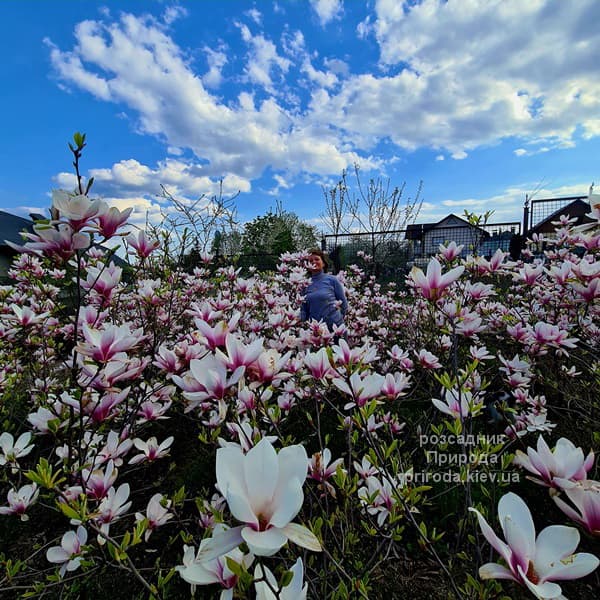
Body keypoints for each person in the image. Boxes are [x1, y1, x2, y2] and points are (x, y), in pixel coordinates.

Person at [300, 248, 348, 331]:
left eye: (317, 259)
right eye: (310, 260)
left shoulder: (332, 280)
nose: (314, 262)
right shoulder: (305, 284)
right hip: (316, 330)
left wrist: (338, 320)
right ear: (307, 265)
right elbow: (304, 309)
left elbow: (343, 304)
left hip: (335, 327)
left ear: (323, 263)